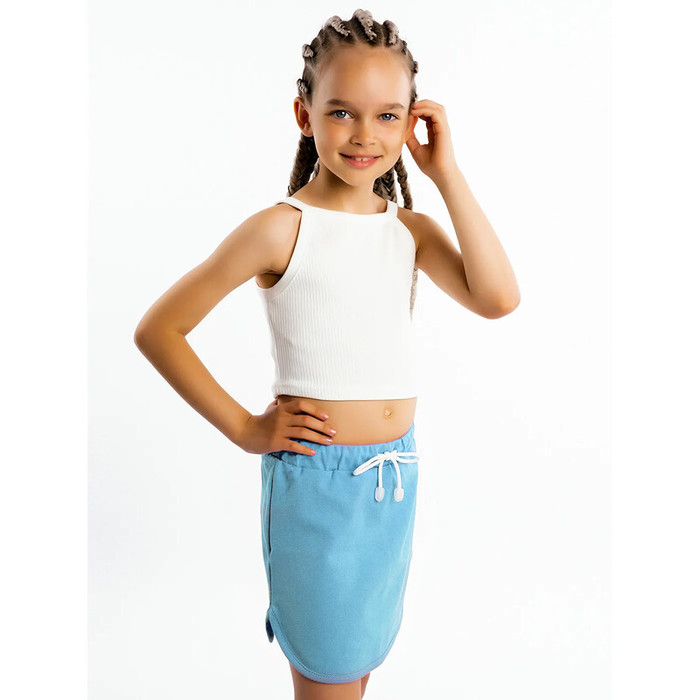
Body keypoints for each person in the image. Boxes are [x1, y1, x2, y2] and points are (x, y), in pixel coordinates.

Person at [134, 8, 520, 700]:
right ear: (304, 115)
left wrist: (447, 175)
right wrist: (245, 428)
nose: (365, 134)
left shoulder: (410, 230)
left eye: (388, 116)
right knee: (329, 676)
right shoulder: (280, 230)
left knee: (356, 669)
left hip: (392, 481)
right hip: (318, 488)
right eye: (342, 111)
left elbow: (498, 298)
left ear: (411, 123)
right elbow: (159, 330)